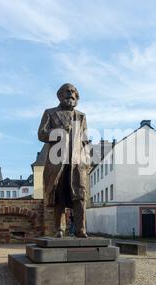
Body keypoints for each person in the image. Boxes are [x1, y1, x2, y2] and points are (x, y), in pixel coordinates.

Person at [38, 84, 90, 238]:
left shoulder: (81, 116)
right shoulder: (50, 113)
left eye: (73, 92)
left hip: (77, 162)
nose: (71, 95)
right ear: (60, 95)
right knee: (59, 195)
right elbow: (41, 134)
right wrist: (58, 133)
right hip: (57, 162)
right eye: (67, 92)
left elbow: (85, 140)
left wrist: (86, 162)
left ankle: (81, 230)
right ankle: (59, 229)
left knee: (80, 195)